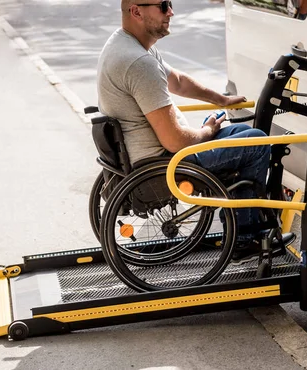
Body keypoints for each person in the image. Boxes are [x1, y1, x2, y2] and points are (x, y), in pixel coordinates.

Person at [97, 0, 280, 263]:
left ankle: (236, 206)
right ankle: (244, 238)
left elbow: (178, 82)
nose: (171, 12)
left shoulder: (126, 44)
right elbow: (175, 141)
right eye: (163, 6)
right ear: (136, 11)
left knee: (239, 130)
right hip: (163, 164)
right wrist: (206, 131)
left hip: (148, 157)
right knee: (257, 143)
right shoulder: (138, 62)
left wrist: (221, 99)